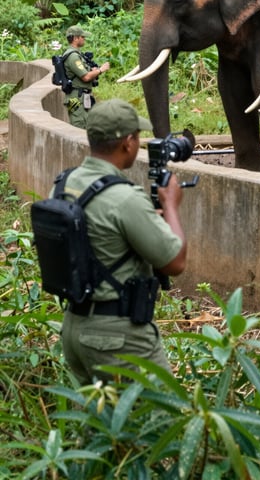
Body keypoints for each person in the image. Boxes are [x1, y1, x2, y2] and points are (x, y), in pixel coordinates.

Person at [57, 98, 187, 385]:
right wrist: (172, 205)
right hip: (117, 339)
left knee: (97, 426)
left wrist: (144, 218)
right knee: (158, 420)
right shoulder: (124, 198)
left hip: (75, 327)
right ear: (127, 143)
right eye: (137, 138)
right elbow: (175, 262)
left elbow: (97, 235)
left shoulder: (66, 183)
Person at [61, 25, 110, 128]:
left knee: (87, 126)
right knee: (79, 128)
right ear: (75, 38)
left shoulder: (77, 55)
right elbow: (86, 77)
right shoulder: (73, 56)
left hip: (82, 96)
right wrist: (101, 70)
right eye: (82, 37)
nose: (84, 39)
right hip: (76, 98)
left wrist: (93, 71)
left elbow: (84, 72)